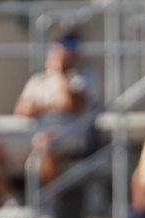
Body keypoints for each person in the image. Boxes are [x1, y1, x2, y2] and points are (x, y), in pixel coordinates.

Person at [12, 35, 95, 192]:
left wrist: (58, 72)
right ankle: (10, 200)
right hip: (32, 134)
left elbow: (71, 105)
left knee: (45, 144)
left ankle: (49, 204)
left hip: (69, 135)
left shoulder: (84, 76)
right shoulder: (38, 79)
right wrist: (52, 105)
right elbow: (22, 110)